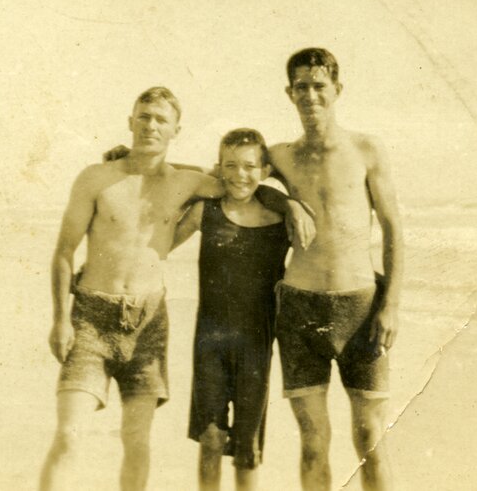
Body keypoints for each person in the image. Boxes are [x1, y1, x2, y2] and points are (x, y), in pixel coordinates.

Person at [39, 87, 312, 491]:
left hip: (148, 321)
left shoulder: (186, 183)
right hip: (92, 319)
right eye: (144, 116)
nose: (151, 125)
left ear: (175, 131)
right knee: (68, 435)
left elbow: (242, 182)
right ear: (131, 121)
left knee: (136, 440)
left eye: (161, 120)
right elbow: (64, 251)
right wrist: (60, 320)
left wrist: (290, 205)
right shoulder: (96, 178)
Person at [270, 48, 404, 491]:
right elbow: (230, 176)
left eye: (319, 86)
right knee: (313, 441)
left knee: (370, 439)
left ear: (337, 90)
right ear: (289, 93)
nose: (310, 95)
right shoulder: (279, 156)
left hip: (360, 307)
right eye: (301, 87)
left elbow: (393, 229)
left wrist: (391, 306)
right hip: (299, 308)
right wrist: (285, 201)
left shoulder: (366, 149)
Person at [171, 128, 291, 491]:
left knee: (247, 449)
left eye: (250, 166)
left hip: (257, 345)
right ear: (219, 168)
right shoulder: (204, 212)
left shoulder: (280, 221)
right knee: (210, 440)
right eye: (231, 165)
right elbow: (157, 245)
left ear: (265, 170)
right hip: (210, 343)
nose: (240, 174)